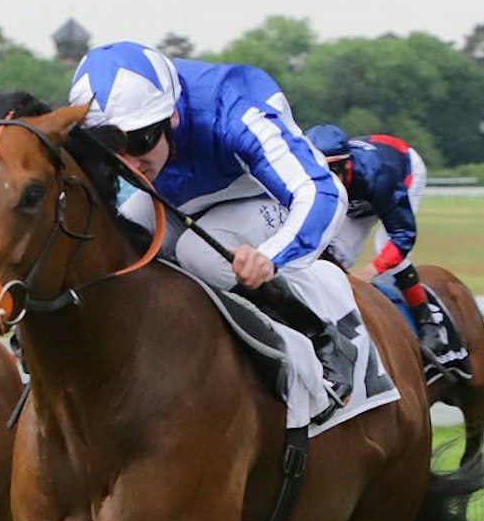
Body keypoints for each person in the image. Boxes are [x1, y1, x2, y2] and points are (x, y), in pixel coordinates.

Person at [68, 41, 358, 409]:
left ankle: (321, 335)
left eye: (140, 141)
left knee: (200, 253)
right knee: (119, 237)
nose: (128, 164)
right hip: (180, 199)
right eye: (111, 148)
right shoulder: (128, 133)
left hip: (259, 196)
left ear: (171, 117)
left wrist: (269, 257)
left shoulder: (233, 109)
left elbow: (322, 192)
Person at [303, 123, 469, 376]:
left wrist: (371, 270)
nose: (327, 180)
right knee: (333, 252)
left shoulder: (377, 174)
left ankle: (428, 323)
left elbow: (404, 235)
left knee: (387, 245)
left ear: (347, 165)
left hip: (404, 172)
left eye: (333, 171)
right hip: (360, 195)